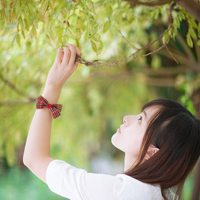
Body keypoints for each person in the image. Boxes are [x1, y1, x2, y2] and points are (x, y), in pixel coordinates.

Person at [23, 43, 200, 200]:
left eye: (140, 120)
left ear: (152, 153)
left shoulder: (120, 193)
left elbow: (34, 159)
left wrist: (52, 86)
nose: (126, 118)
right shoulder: (166, 195)